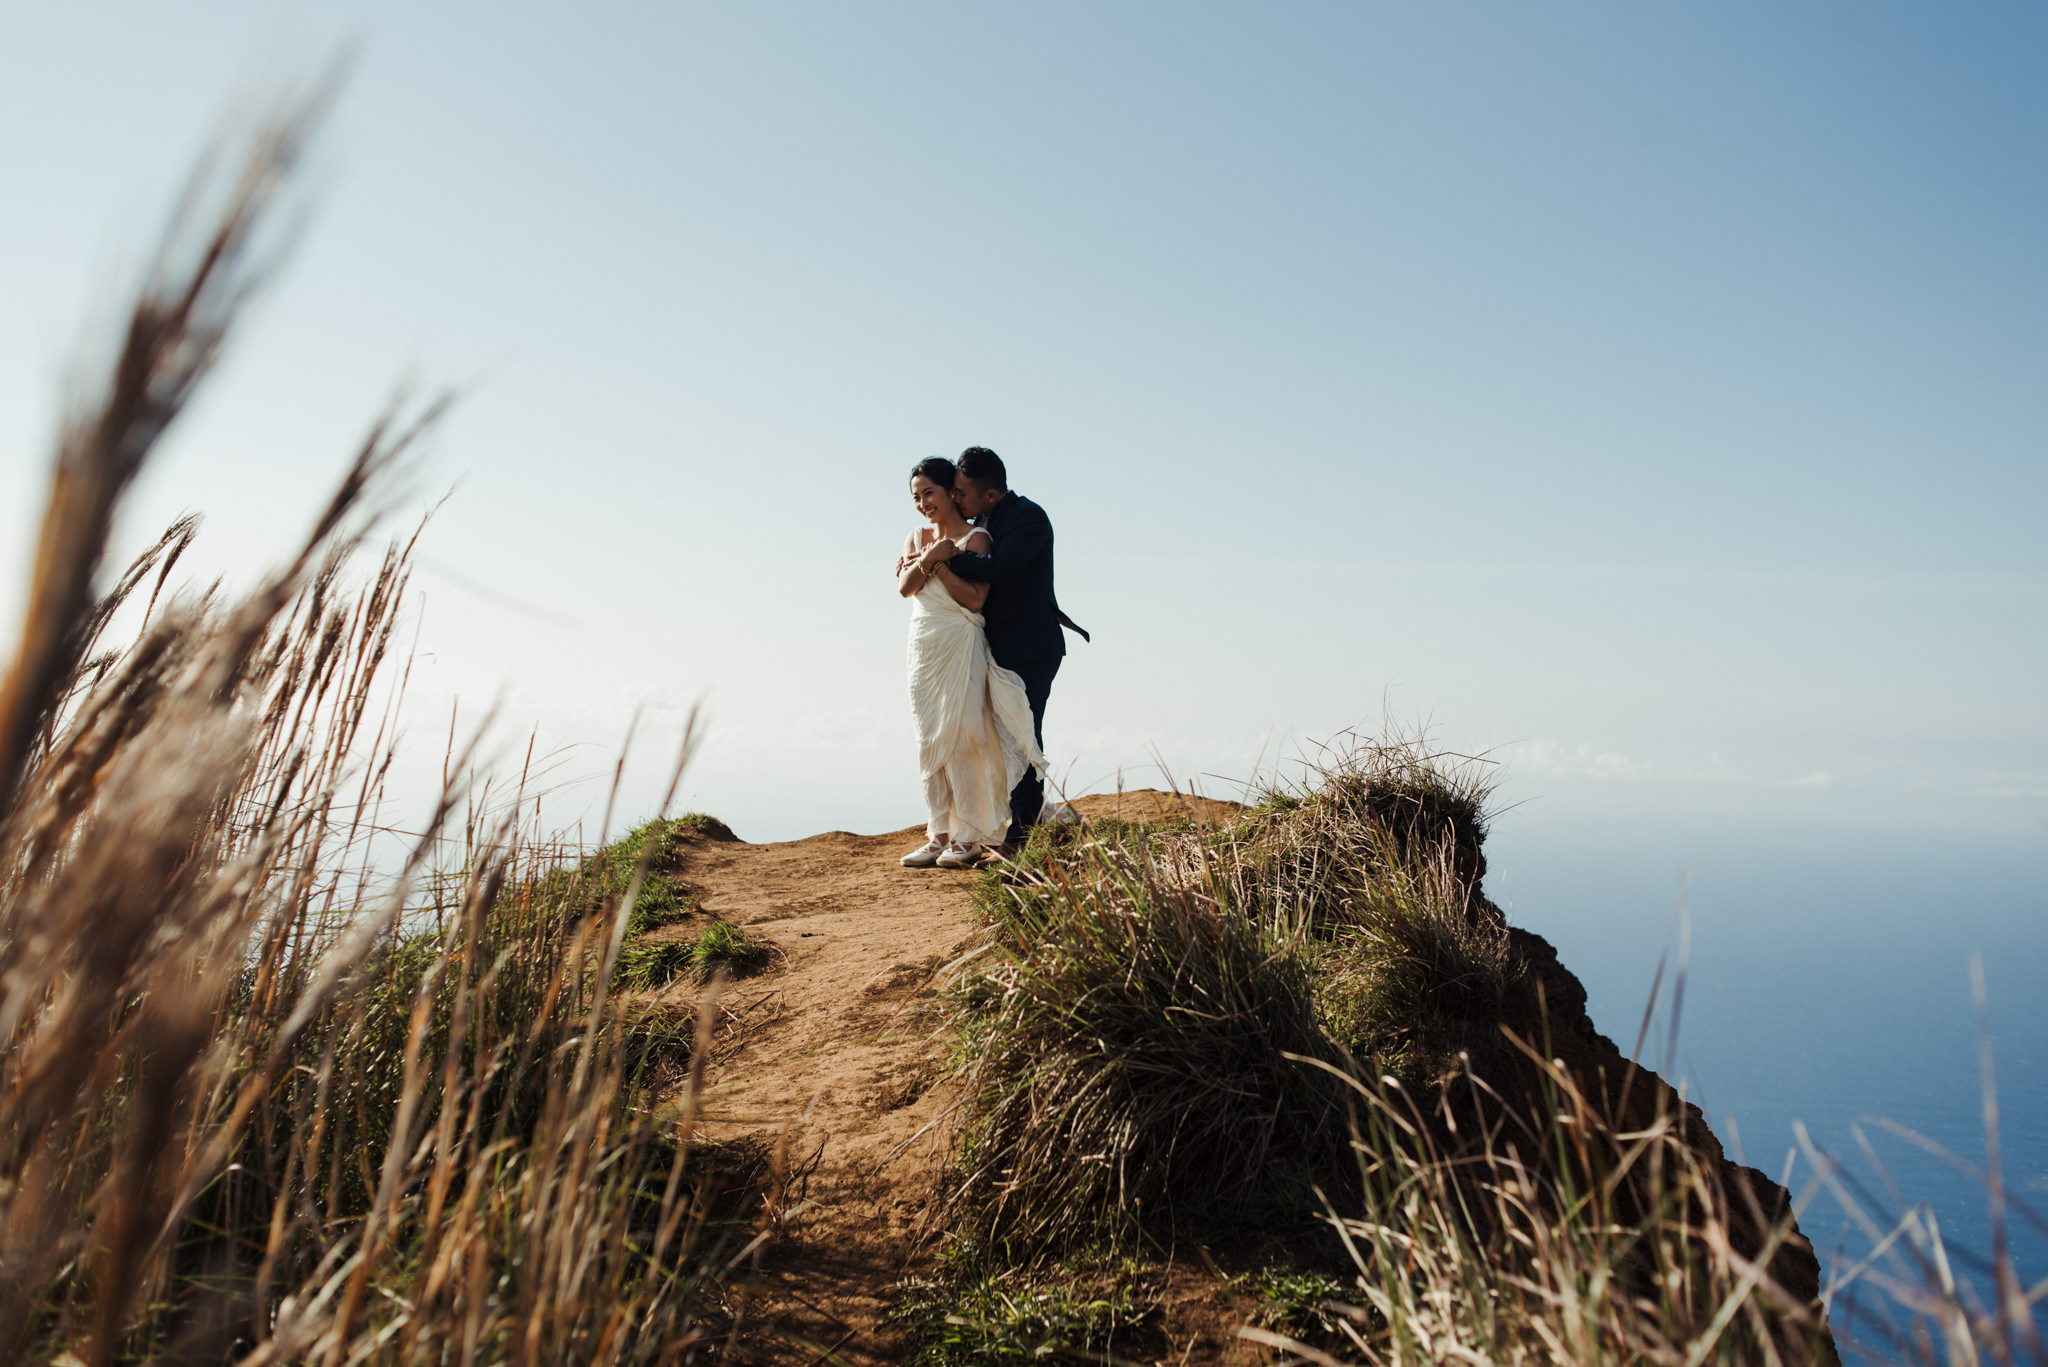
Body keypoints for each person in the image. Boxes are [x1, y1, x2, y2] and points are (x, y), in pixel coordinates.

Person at [921, 446, 1086, 853]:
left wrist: (939, 560)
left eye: (961, 492)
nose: (956, 499)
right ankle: (1033, 820)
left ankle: (1020, 839)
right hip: (994, 646)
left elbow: (998, 570)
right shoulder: (985, 519)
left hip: (1030, 646)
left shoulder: (1028, 518)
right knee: (999, 738)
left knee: (1020, 736)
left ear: (990, 495)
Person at [894, 456, 1048, 869]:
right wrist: (926, 558)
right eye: (916, 496)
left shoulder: (980, 537)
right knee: (929, 738)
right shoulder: (916, 537)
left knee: (966, 734)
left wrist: (940, 563)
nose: (923, 502)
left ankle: (971, 836)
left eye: (932, 493)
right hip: (923, 647)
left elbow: (977, 597)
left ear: (950, 493)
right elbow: (905, 588)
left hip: (963, 642)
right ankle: (938, 833)